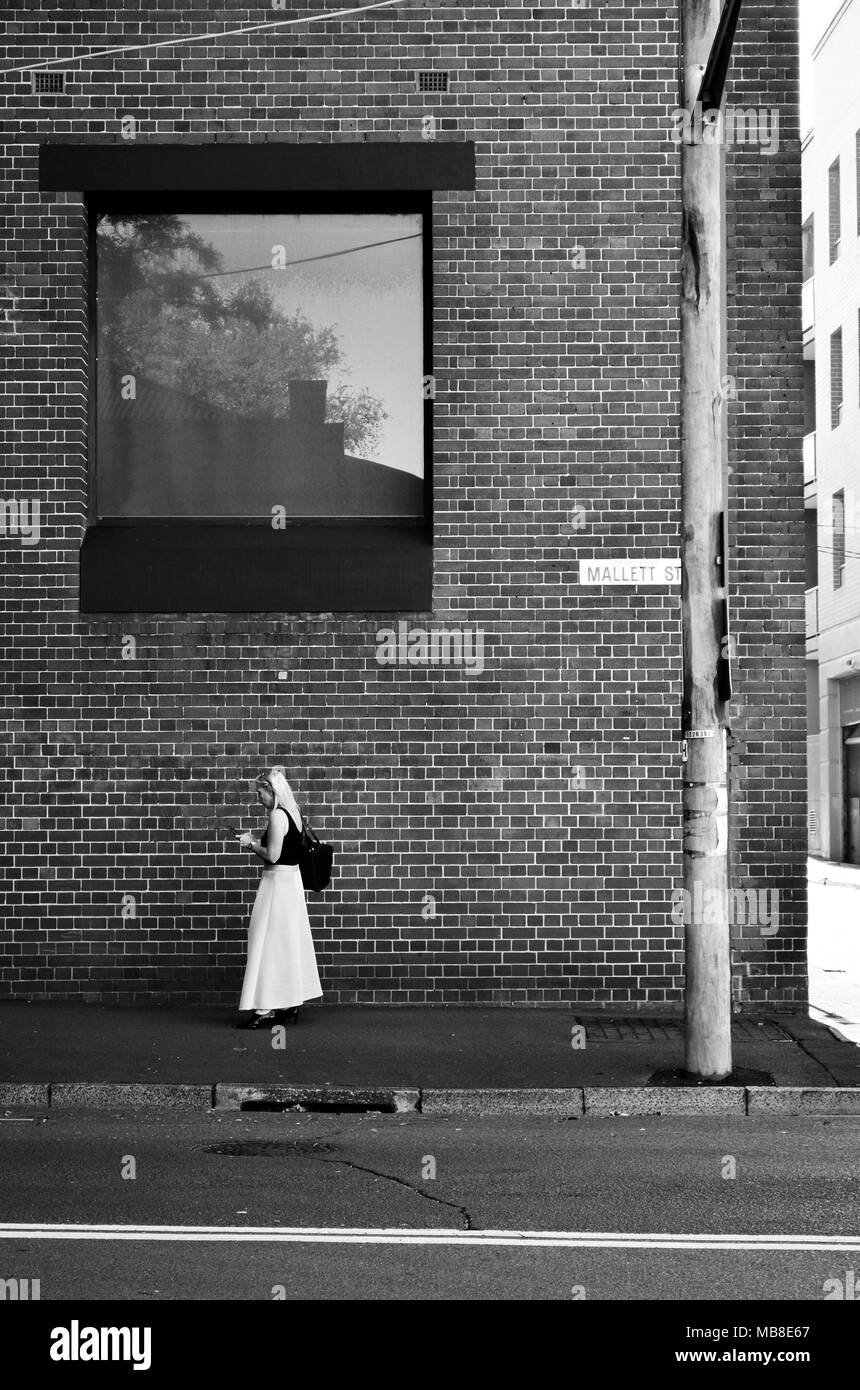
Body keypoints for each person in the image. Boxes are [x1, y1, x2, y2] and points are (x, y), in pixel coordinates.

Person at [235, 766, 322, 1029]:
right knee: (284, 943)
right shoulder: (294, 813)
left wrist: (249, 842)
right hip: (290, 883)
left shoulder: (276, 816)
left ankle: (265, 1010)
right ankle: (287, 1004)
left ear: (270, 791)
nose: (257, 798)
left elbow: (272, 855)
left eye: (259, 792)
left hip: (276, 883)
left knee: (265, 942)